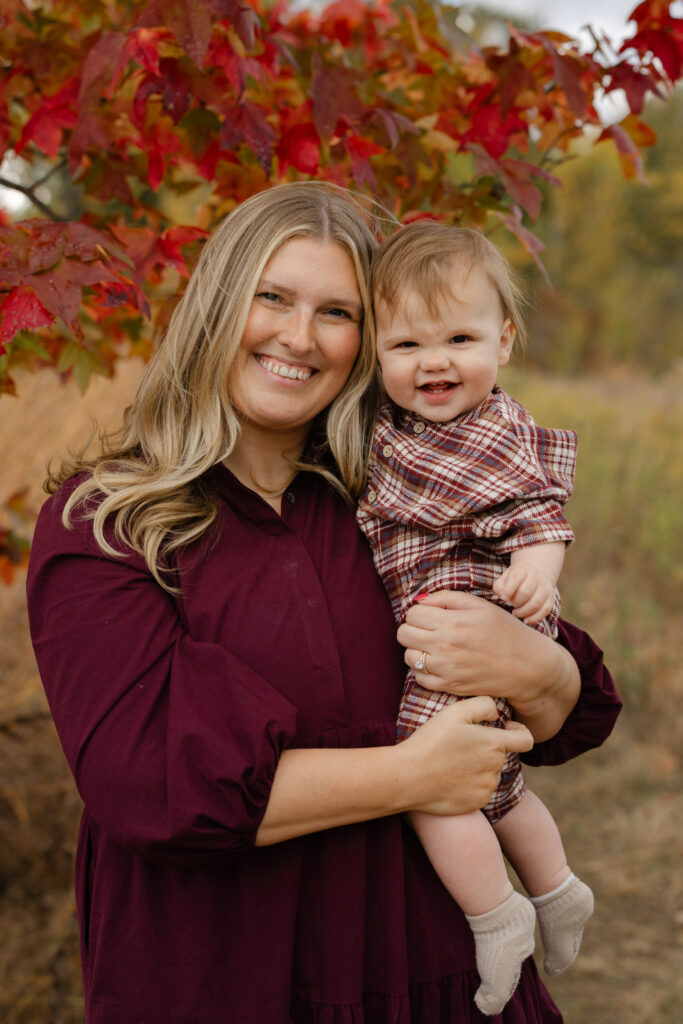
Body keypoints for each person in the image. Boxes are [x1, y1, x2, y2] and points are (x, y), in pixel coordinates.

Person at [26, 182, 621, 1024]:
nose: (298, 337)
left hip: (442, 976)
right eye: (271, 297)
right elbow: (150, 787)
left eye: (336, 313)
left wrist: (538, 667)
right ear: (217, 305)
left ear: (367, 341)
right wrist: (412, 773)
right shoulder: (112, 521)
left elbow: (574, 711)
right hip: (230, 980)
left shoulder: (397, 495)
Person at [356, 222, 595, 1015]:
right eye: (406, 344)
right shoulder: (393, 431)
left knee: (432, 784)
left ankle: (496, 916)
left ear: (504, 338)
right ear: (376, 354)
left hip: (473, 618)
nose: (434, 362)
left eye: (459, 338)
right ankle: (558, 890)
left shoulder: (491, 431)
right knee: (500, 787)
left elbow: (541, 514)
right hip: (436, 624)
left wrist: (534, 574)